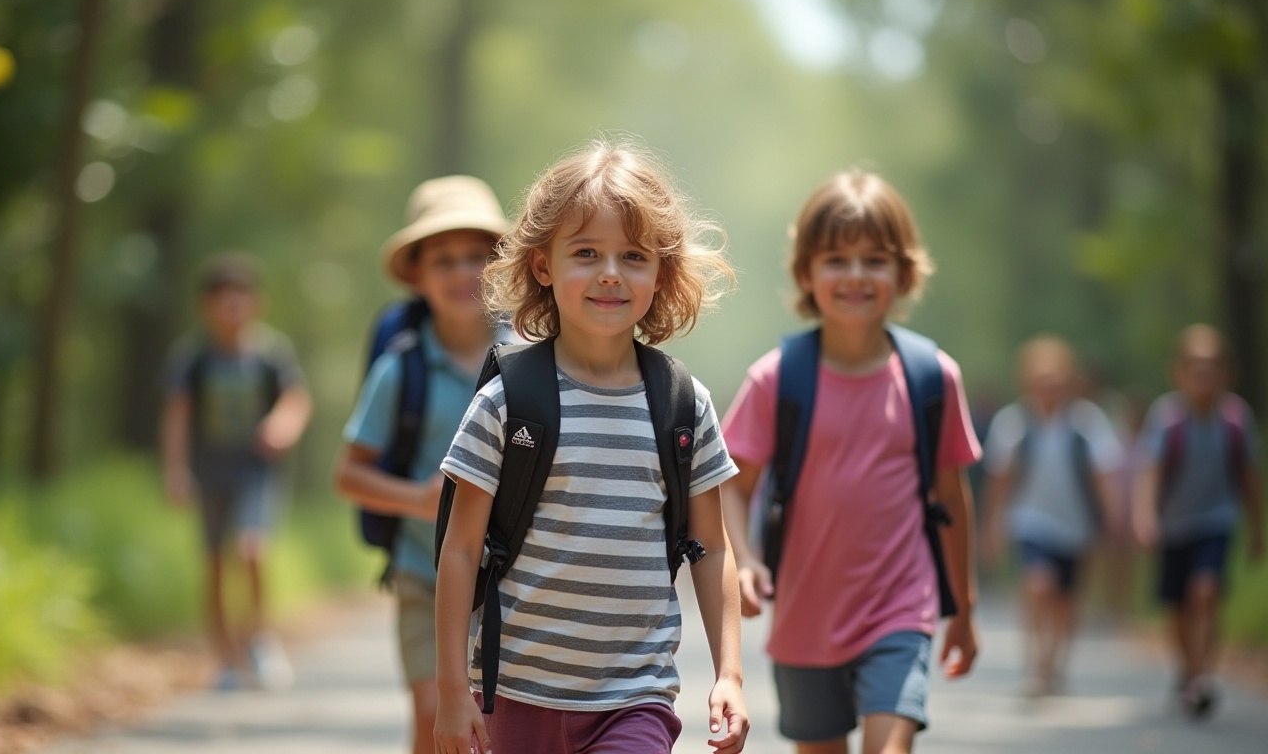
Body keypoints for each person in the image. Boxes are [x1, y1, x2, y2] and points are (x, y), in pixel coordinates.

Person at [434, 138, 749, 754]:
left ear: (660, 273)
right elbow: (461, 548)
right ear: (543, 266)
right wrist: (451, 690)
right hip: (515, 693)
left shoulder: (684, 406)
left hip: (635, 697)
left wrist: (729, 674)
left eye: (633, 256)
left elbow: (712, 548)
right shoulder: (506, 402)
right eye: (585, 253)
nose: (610, 273)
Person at [719, 169, 981, 754]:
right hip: (804, 620)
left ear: (904, 273)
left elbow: (952, 498)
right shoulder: (776, 379)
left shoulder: (933, 377)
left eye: (875, 260)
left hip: (901, 608)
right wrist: (746, 560)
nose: (856, 275)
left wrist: (963, 610)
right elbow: (731, 484)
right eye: (836, 259)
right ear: (806, 273)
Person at [333, 175, 510, 754]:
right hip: (423, 572)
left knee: (502, 725)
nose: (463, 273)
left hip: (512, 579)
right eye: (444, 261)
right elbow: (348, 473)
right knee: (437, 714)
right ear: (417, 275)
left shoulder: (531, 357)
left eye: (477, 257)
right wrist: (420, 499)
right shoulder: (401, 369)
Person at [160, 252, 312, 691]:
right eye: (223, 300)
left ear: (256, 303)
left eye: (241, 298)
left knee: (251, 550)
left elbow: (296, 398)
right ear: (206, 306)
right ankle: (225, 658)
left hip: (256, 471)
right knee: (213, 564)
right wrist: (175, 470)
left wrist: (282, 425)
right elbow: (177, 415)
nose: (233, 308)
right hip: (209, 471)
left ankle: (258, 640)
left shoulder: (271, 354)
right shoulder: (193, 358)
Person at [1131, 323, 1264, 719]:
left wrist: (1258, 528)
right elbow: (1151, 472)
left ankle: (1202, 677)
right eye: (1195, 367)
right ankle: (1187, 670)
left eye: (1211, 367)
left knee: (1205, 592)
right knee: (1176, 607)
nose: (1203, 376)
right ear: (1179, 372)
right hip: (1174, 526)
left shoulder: (1236, 419)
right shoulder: (1167, 418)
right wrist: (1144, 516)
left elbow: (1248, 477)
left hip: (1216, 520)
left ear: (1226, 373)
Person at [980, 335, 1124, 698]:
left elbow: (1103, 474)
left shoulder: (1087, 422)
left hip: (1078, 525)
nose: (1047, 388)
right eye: (1040, 380)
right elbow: (1000, 482)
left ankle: (1054, 665)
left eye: (1054, 380)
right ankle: (1035, 666)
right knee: (1038, 584)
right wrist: (991, 529)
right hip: (1030, 520)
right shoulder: (1013, 423)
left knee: (1066, 601)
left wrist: (1114, 518)